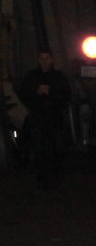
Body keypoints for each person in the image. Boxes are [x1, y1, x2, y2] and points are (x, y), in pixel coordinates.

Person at [19, 49, 72, 188]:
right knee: (39, 148)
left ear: (52, 60)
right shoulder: (32, 76)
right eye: (41, 58)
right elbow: (23, 93)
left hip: (54, 117)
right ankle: (42, 176)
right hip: (37, 117)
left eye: (47, 58)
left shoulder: (58, 76)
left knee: (57, 147)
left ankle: (56, 175)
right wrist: (36, 92)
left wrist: (51, 92)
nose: (44, 61)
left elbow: (66, 95)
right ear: (38, 60)